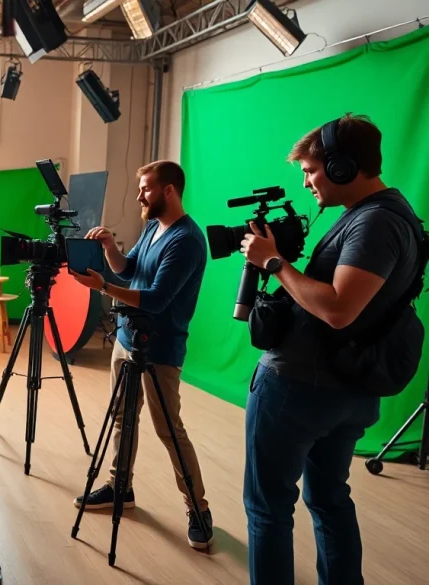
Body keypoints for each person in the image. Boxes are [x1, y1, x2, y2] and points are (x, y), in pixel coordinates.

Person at [239, 114, 419, 585]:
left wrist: (273, 263)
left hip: (301, 390)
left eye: (311, 171)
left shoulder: (374, 222)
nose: (306, 182)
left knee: (267, 509)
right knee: (329, 499)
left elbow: (340, 309)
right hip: (342, 389)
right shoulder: (384, 215)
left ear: (342, 167)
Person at [69, 160, 213, 549]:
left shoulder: (186, 240)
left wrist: (103, 288)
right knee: (121, 417)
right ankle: (120, 488)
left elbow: (156, 299)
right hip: (127, 339)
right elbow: (130, 269)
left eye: (146, 188)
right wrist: (109, 248)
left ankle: (198, 508)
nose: (139, 196)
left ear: (169, 190)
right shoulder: (153, 226)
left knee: (169, 430)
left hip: (161, 349)